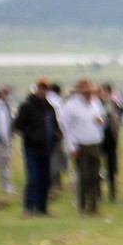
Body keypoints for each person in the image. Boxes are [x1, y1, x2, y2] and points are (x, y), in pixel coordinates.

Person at [13, 77, 58, 216]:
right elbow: (17, 125)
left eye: (46, 89)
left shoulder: (49, 107)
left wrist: (57, 134)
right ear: (36, 89)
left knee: (45, 178)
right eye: (41, 88)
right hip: (32, 147)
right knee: (33, 177)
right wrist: (31, 135)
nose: (43, 91)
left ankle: (42, 208)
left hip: (47, 147)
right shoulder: (27, 105)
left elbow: (54, 125)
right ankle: (28, 207)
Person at [61, 78, 107, 214]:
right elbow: (65, 127)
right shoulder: (71, 106)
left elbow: (103, 120)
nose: (89, 94)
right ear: (80, 92)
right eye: (86, 92)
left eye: (90, 91)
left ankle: (93, 205)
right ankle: (82, 205)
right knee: (84, 176)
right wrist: (71, 146)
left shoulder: (95, 104)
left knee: (95, 176)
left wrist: (101, 121)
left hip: (95, 143)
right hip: (80, 145)